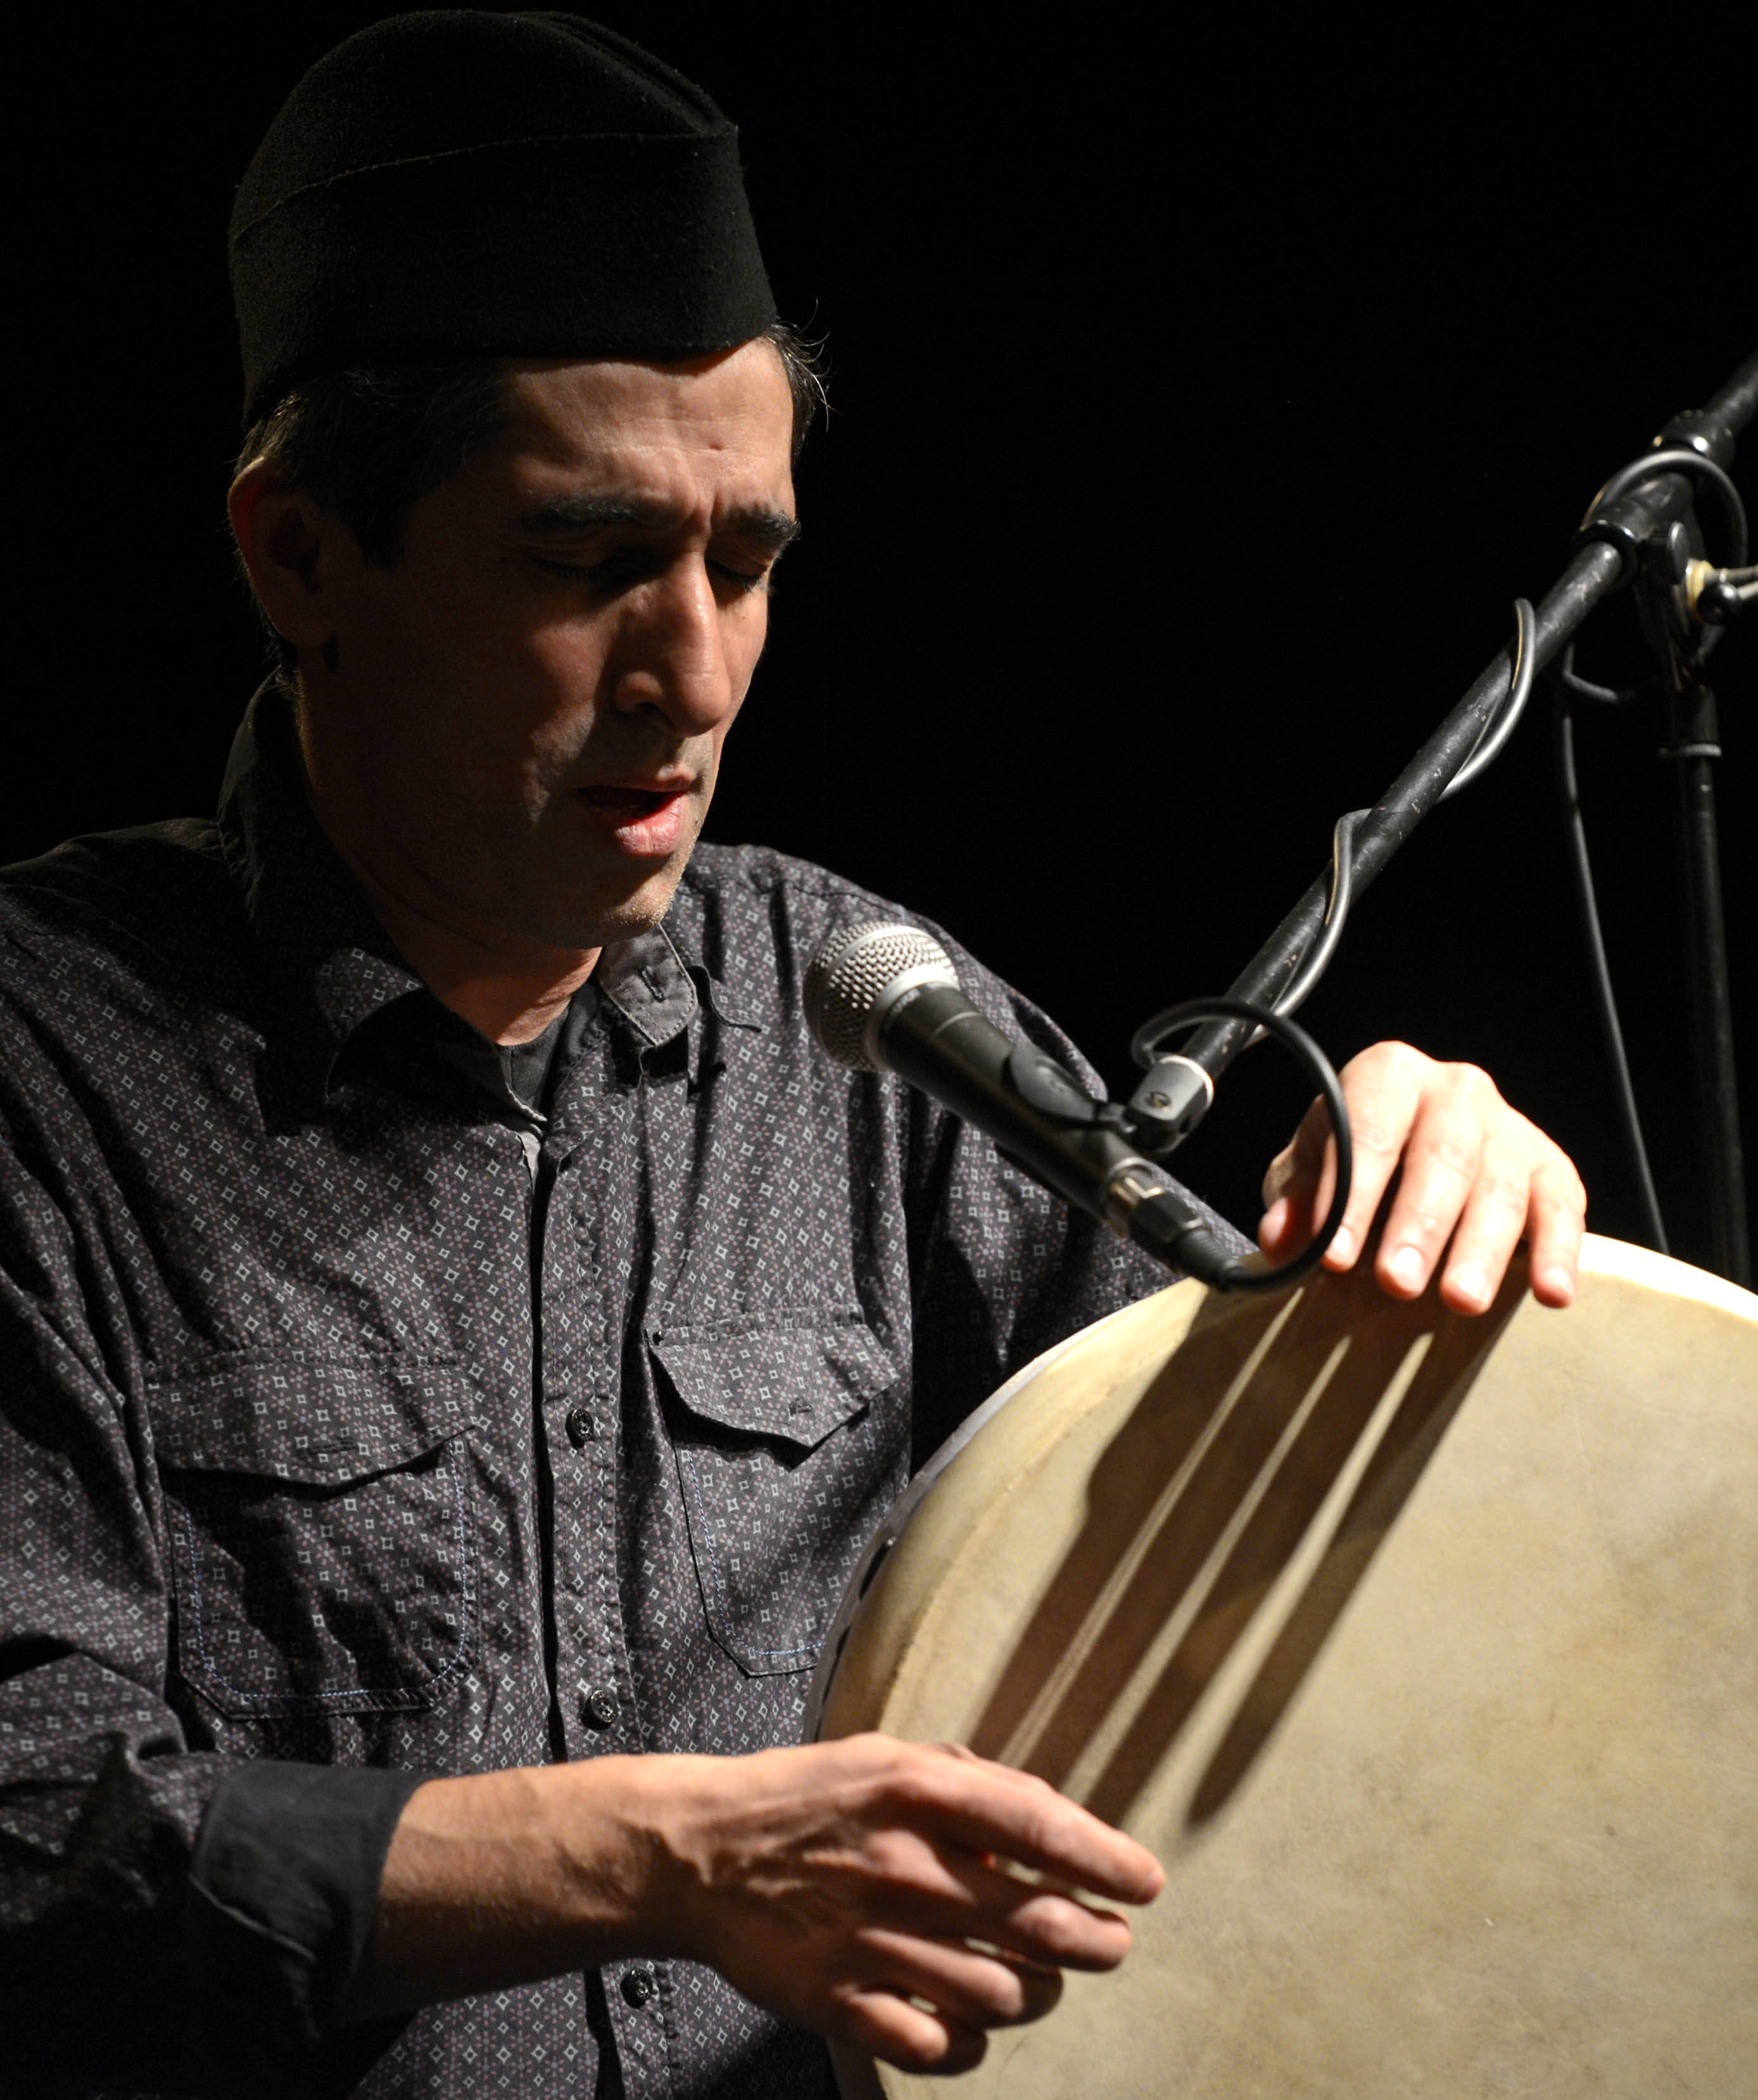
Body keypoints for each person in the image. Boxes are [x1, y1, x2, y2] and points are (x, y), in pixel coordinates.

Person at [0, 14, 1586, 2098]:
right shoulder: (51, 1061)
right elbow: (34, 1841)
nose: (696, 668)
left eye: (746, 563)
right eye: (589, 562)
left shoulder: (854, 1011)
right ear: (299, 552)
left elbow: (1271, 1545)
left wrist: (1398, 1203)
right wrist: (664, 1857)